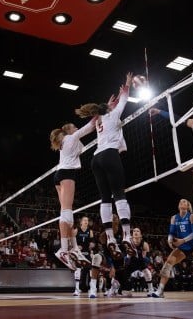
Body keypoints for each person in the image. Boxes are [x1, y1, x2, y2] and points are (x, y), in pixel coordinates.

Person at [75, 72, 136, 257]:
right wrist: (127, 84)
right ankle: (126, 235)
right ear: (109, 108)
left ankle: (110, 238)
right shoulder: (113, 113)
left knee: (105, 198)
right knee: (119, 194)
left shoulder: (99, 119)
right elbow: (124, 99)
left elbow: (111, 105)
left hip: (96, 159)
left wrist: (111, 103)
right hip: (109, 154)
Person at [49, 117, 96, 270]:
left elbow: (82, 148)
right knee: (67, 212)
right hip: (67, 174)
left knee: (66, 213)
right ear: (68, 131)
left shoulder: (66, 142)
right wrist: (100, 112)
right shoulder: (70, 137)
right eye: (74, 127)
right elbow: (90, 126)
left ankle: (73, 247)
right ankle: (63, 250)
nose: (76, 128)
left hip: (59, 174)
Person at [151, 198, 193, 298]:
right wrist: (169, 239)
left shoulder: (192, 216)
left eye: (184, 201)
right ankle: (160, 291)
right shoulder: (174, 218)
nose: (182, 202)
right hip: (183, 247)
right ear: (178, 206)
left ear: (188, 206)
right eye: (180, 201)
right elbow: (171, 232)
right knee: (167, 264)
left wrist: (182, 240)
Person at [72, 216, 96, 296]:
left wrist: (92, 244)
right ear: (81, 222)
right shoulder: (76, 230)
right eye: (85, 220)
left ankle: (91, 289)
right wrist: (76, 246)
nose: (86, 221)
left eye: (87, 220)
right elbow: (71, 241)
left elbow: (93, 241)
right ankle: (77, 289)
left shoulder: (90, 231)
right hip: (78, 253)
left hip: (87, 252)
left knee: (90, 270)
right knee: (78, 269)